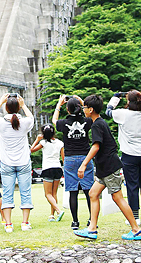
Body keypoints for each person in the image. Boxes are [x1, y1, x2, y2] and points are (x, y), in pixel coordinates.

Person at [74, 95, 141, 241]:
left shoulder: (97, 125)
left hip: (109, 167)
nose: (83, 110)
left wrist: (84, 164)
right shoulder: (98, 121)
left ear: (90, 110)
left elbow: (96, 146)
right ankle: (92, 229)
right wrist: (82, 101)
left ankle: (136, 230)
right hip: (104, 168)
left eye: (84, 108)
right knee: (93, 194)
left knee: (117, 197)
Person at [106, 90, 141, 225]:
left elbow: (108, 111)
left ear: (128, 101)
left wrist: (115, 98)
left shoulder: (123, 114)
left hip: (129, 154)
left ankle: (135, 216)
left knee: (132, 185)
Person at [0, 93, 34, 233]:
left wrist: (0, 101)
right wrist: (24, 105)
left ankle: (8, 224)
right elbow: (31, 118)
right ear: (18, 108)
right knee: (25, 192)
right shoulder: (24, 123)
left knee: (7, 193)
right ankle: (25, 222)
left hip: (7, 162)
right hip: (23, 161)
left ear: (6, 108)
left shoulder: (2, 124)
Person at [52, 95, 94, 229]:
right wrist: (82, 102)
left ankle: (75, 221)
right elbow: (93, 117)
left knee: (73, 191)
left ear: (67, 109)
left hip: (70, 158)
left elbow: (54, 120)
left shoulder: (63, 123)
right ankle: (91, 219)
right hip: (85, 158)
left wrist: (58, 104)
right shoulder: (87, 121)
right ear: (80, 108)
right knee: (88, 191)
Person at [30, 124, 65, 222]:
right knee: (54, 194)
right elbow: (63, 158)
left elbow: (31, 150)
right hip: (58, 168)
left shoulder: (43, 143)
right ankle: (52, 215)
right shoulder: (60, 143)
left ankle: (58, 211)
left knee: (47, 194)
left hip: (47, 169)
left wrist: (37, 139)